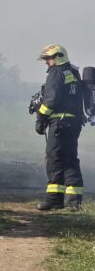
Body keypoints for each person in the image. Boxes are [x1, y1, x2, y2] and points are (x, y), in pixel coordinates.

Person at [34, 44, 85, 211]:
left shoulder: (56, 72)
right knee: (70, 159)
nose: (47, 62)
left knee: (54, 159)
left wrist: (41, 118)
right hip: (74, 122)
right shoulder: (73, 72)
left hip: (60, 123)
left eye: (49, 58)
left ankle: (54, 200)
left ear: (58, 56)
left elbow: (51, 99)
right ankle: (73, 202)